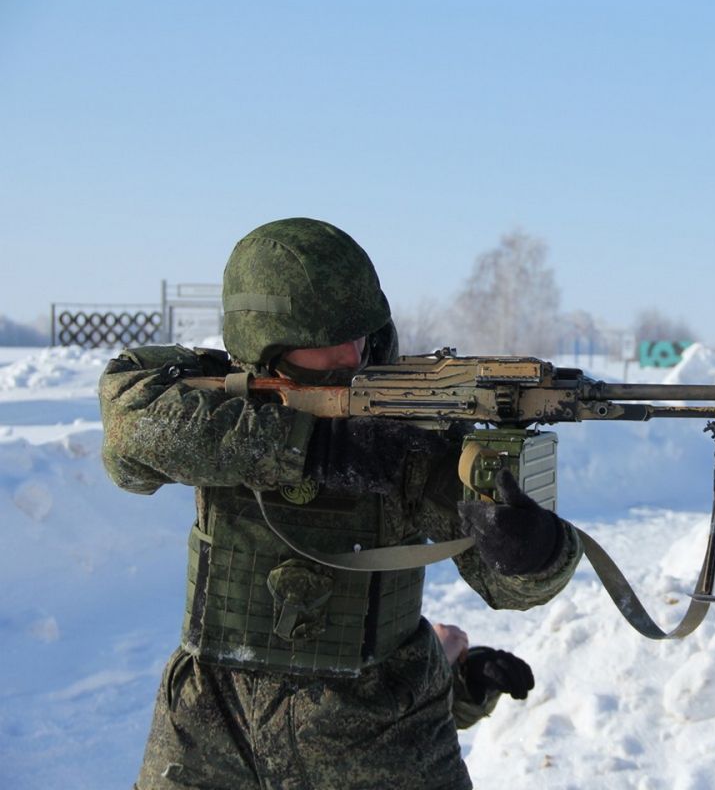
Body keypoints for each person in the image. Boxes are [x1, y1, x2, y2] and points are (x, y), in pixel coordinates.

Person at [99, 217, 581, 789]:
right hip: (209, 727)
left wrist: (534, 550)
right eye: (321, 342)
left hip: (379, 736)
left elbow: (507, 583)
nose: (348, 354)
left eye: (357, 333)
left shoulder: (405, 436)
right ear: (264, 345)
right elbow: (128, 434)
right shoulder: (222, 403)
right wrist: (311, 445)